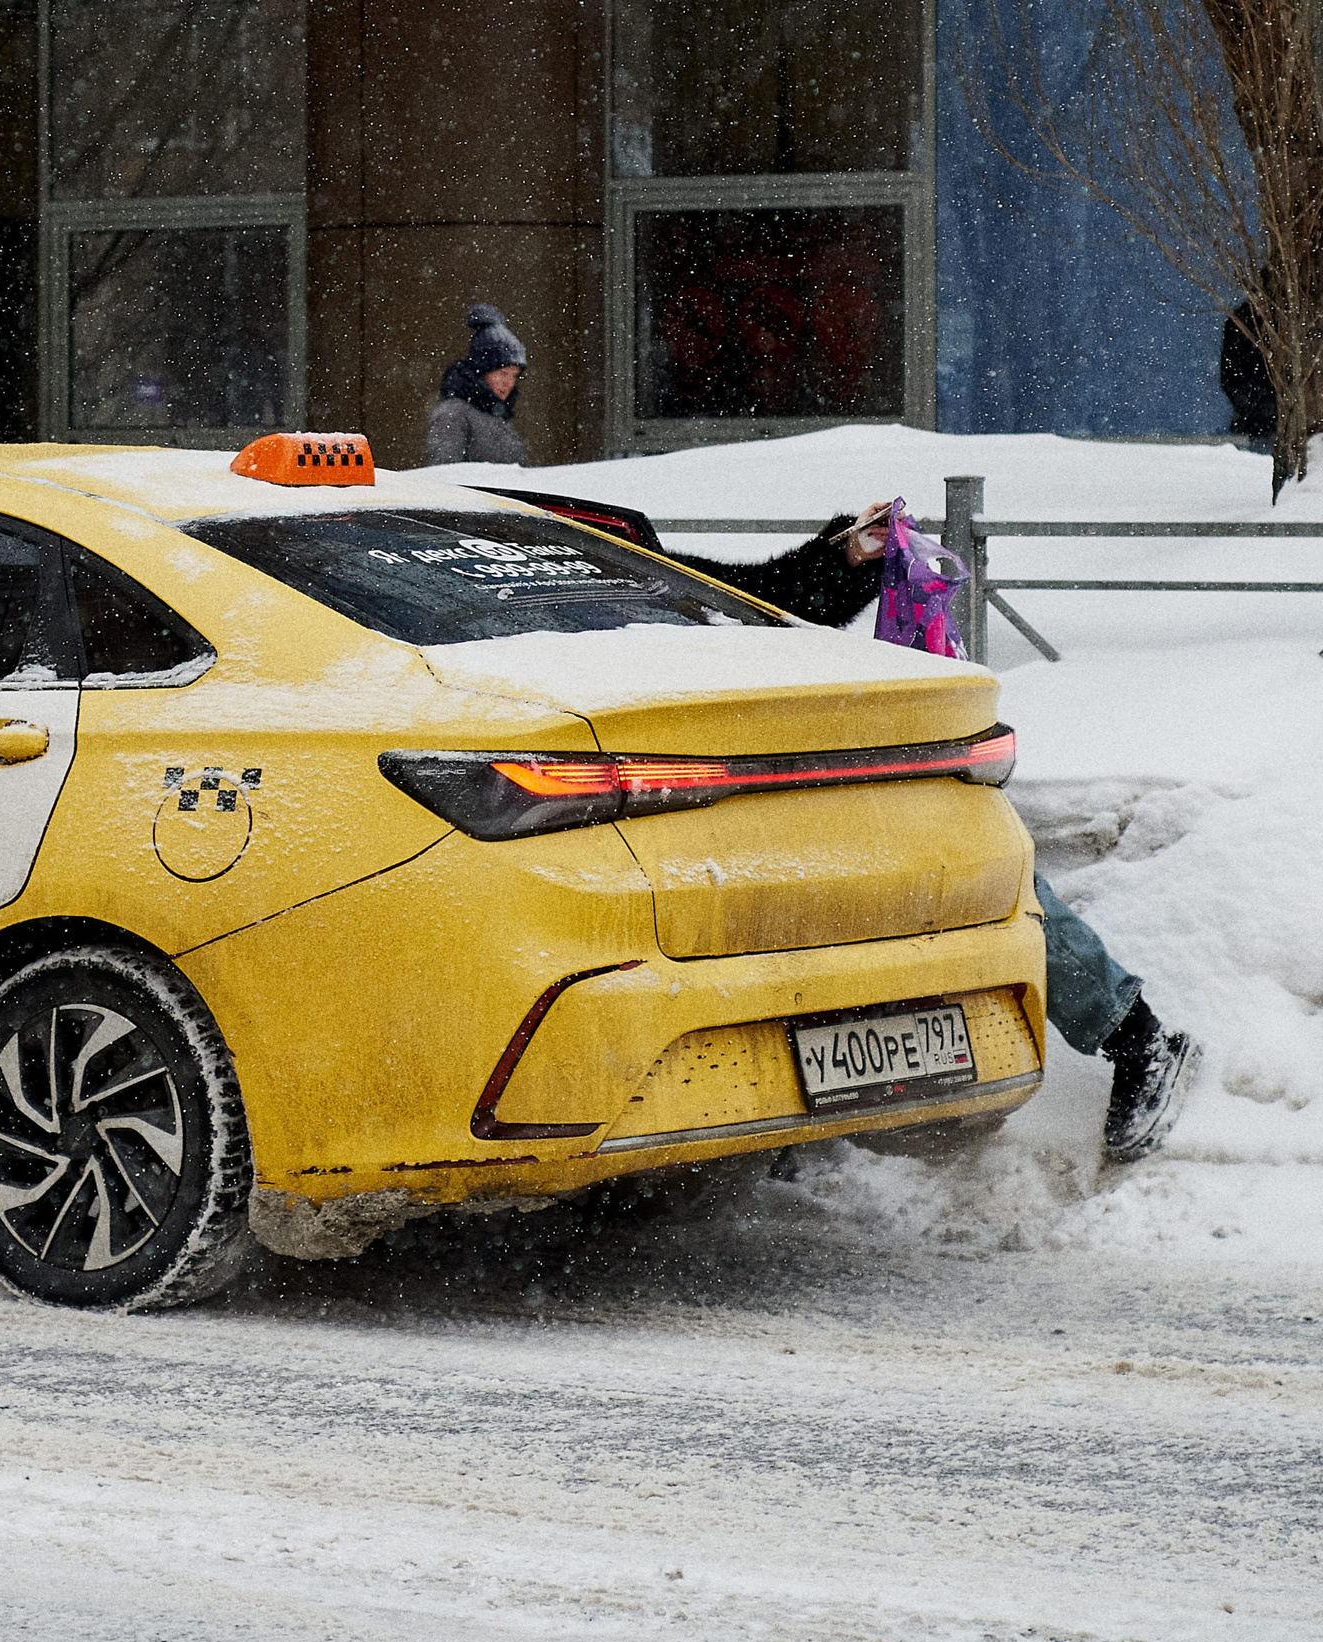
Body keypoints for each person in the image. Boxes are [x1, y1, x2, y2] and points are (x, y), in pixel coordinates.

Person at [662, 506, 1205, 1163]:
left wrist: (841, 561)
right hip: (684, 797)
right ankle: (801, 1116)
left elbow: (728, 599)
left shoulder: (575, 548)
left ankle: (1136, 1037)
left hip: (753, 766)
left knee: (978, 874)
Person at [425, 304, 529, 467]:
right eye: (502, 373)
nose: (508, 382)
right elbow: (446, 475)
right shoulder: (453, 415)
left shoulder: (498, 416)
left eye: (514, 375)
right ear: (482, 371)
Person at [1220, 304, 1276, 457]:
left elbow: (1229, 376)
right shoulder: (1242, 319)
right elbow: (1229, 376)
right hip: (1258, 417)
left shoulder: (1241, 318)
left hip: (1256, 413)